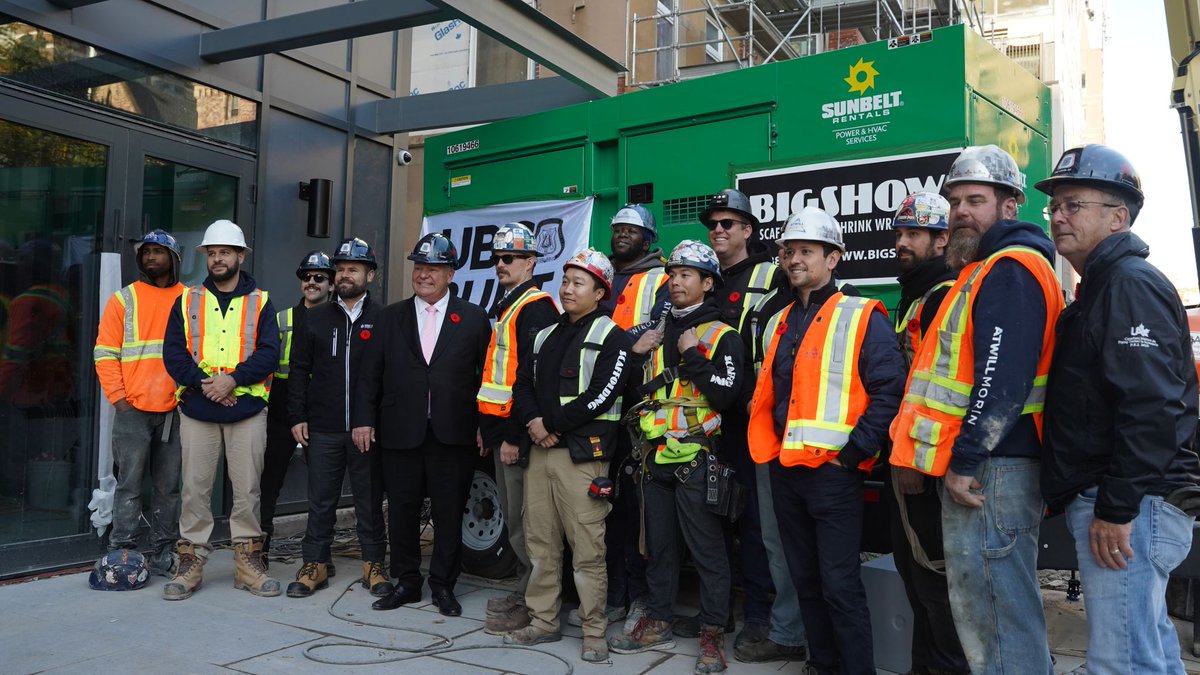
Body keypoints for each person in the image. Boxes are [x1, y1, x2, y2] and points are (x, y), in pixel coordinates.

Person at [890, 145, 1063, 674]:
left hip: (993, 470)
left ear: (1009, 206)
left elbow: (1001, 377)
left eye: (977, 200)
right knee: (984, 618)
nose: (962, 210)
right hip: (991, 467)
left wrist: (965, 460)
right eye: (956, 201)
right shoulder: (985, 269)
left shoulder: (1011, 268)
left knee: (997, 618)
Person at [1038, 144, 1200, 674]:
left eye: (1074, 204)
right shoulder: (1101, 288)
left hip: (1133, 505)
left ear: (1118, 216)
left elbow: (1152, 407)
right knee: (1148, 654)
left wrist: (1116, 508)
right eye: (1055, 206)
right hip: (1131, 500)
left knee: (1122, 662)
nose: (1059, 216)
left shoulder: (1128, 284)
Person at [747, 208, 905, 675]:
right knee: (806, 580)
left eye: (807, 251)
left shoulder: (861, 314)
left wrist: (855, 454)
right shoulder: (780, 319)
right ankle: (822, 664)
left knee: (839, 583)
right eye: (789, 251)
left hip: (834, 477)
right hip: (786, 469)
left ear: (833, 257)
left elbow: (889, 391)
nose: (795, 259)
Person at [609, 240, 744, 675]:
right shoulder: (653, 333)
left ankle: (712, 635)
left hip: (697, 460)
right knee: (659, 549)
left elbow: (725, 396)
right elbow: (630, 390)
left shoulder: (723, 335)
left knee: (708, 552)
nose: (676, 281)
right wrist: (635, 355)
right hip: (652, 458)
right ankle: (660, 619)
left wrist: (691, 355)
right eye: (673, 274)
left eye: (687, 275)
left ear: (708, 283)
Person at [505, 248, 631, 663]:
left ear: (600, 291)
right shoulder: (543, 336)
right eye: (565, 280)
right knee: (541, 545)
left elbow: (602, 395)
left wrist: (551, 423)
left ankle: (594, 631)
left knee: (588, 549)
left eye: (578, 282)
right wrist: (534, 422)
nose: (568, 288)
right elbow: (521, 386)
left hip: (581, 459)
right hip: (541, 455)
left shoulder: (611, 336)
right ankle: (543, 622)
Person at [354, 233, 490, 616]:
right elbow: (369, 375)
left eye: (432, 268)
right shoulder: (388, 317)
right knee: (402, 511)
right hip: (400, 431)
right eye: (419, 267)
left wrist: (486, 425)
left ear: (450, 273)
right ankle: (407, 583)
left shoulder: (475, 319)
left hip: (455, 432)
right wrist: (363, 420)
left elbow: (486, 378)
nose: (423, 275)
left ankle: (444, 586)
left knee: (449, 514)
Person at [161, 219, 281, 600]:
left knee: (247, 490)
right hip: (198, 408)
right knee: (195, 490)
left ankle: (247, 566)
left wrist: (232, 380)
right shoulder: (187, 300)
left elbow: (268, 353)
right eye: (212, 253)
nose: (217, 259)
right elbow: (174, 355)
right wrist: (206, 384)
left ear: (240, 256)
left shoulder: (261, 301)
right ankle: (191, 564)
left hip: (246, 409)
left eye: (224, 252)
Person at [686, 188, 780, 651]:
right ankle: (715, 614)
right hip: (701, 424)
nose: (719, 230)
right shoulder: (701, 278)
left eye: (729, 223)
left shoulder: (772, 275)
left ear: (748, 230)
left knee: (753, 521)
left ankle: (759, 616)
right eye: (714, 224)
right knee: (710, 518)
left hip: (747, 422)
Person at [885, 193, 968, 674]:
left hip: (924, 466)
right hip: (907, 458)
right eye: (899, 233)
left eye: (913, 234)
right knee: (915, 583)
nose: (902, 242)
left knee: (935, 585)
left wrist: (914, 459)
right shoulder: (915, 295)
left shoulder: (942, 294)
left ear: (942, 240)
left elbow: (938, 388)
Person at [285, 238, 391, 599]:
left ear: (370, 275)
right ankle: (315, 563)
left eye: (354, 269)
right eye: (341, 269)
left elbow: (387, 378)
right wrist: (297, 416)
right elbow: (299, 370)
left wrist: (372, 420)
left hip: (367, 431)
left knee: (369, 502)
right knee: (321, 502)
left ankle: (374, 564)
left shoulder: (385, 319)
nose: (345, 275)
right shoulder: (314, 318)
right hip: (324, 428)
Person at [586, 203, 666, 632]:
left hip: (640, 412)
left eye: (631, 230)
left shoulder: (662, 279)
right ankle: (614, 595)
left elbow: (657, 332)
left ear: (648, 238)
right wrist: (626, 346)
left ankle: (639, 597)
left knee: (640, 515)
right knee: (607, 509)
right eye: (617, 228)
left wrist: (622, 346)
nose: (621, 234)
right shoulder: (602, 276)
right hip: (600, 412)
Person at [477, 223, 559, 635]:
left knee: (527, 523)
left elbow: (531, 380)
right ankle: (529, 592)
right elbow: (498, 377)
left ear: (530, 262)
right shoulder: (512, 303)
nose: (500, 265)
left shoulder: (536, 307)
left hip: (518, 437)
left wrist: (512, 435)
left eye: (509, 258)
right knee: (515, 521)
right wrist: (488, 429)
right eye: (496, 258)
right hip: (502, 432)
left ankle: (534, 599)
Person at [93, 229, 186, 577]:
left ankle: (164, 549)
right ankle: (122, 549)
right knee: (129, 483)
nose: (150, 257)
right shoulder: (124, 299)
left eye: (158, 252)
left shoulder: (190, 298)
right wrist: (119, 399)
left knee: (169, 486)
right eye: (145, 252)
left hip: (175, 410)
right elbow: (104, 352)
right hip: (132, 408)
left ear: (174, 258)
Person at [259, 250, 333, 570]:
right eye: (307, 277)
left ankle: (319, 557)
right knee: (267, 484)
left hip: (320, 408)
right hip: (281, 408)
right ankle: (258, 549)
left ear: (331, 284)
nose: (311, 282)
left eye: (319, 278)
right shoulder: (280, 319)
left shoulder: (338, 321)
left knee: (322, 488)